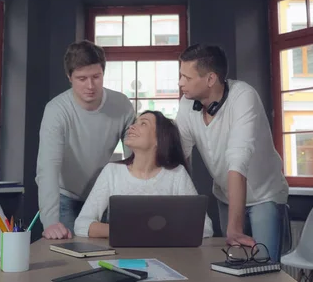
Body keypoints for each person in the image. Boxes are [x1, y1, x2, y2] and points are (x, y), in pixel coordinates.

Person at [175, 44, 289, 262]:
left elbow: (238, 160)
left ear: (210, 79)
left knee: (264, 266)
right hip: (226, 195)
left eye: (186, 78)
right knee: (233, 264)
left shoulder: (243, 97)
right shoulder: (187, 104)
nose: (180, 83)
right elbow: (180, 155)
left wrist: (234, 229)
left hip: (264, 195)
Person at [35, 40, 136, 240]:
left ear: (103, 74)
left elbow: (134, 161)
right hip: (65, 196)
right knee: (68, 257)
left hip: (103, 196)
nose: (90, 86)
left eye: (96, 77)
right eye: (82, 78)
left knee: (110, 255)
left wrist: (136, 208)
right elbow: (48, 168)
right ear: (69, 77)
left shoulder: (122, 105)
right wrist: (50, 222)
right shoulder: (56, 110)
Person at [74, 110, 214, 239]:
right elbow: (81, 225)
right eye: (135, 122)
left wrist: (151, 233)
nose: (131, 127)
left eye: (143, 124)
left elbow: (205, 228)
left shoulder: (176, 175)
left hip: (168, 258)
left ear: (159, 139)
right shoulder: (112, 171)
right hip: (120, 257)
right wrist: (128, 231)